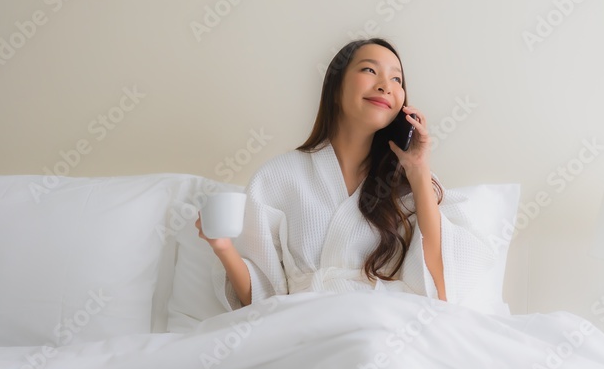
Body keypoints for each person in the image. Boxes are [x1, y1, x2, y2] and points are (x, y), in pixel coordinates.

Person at [196, 37, 498, 311]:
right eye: (370, 71)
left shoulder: (408, 185)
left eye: (397, 78)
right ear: (336, 89)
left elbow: (442, 287)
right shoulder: (277, 176)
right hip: (303, 324)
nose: (386, 85)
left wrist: (418, 171)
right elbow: (262, 301)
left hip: (385, 324)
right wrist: (222, 246)